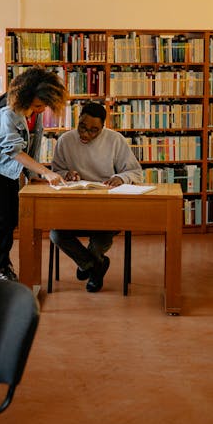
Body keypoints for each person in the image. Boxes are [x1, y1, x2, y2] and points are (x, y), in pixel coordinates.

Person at [0, 67, 67, 281]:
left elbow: (33, 142)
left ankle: (4, 264)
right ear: (25, 98)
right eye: (37, 105)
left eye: (44, 105)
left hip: (11, 167)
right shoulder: (7, 113)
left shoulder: (35, 110)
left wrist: (31, 172)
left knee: (11, 217)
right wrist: (45, 172)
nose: (41, 109)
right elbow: (13, 149)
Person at [48, 102, 144, 292]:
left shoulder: (115, 140)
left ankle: (87, 264)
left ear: (103, 128)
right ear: (78, 119)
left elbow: (135, 172)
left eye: (94, 130)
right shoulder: (65, 140)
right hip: (75, 205)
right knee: (56, 234)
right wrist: (65, 174)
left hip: (107, 206)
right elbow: (56, 170)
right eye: (82, 127)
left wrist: (120, 177)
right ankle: (95, 266)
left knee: (101, 239)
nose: (86, 134)